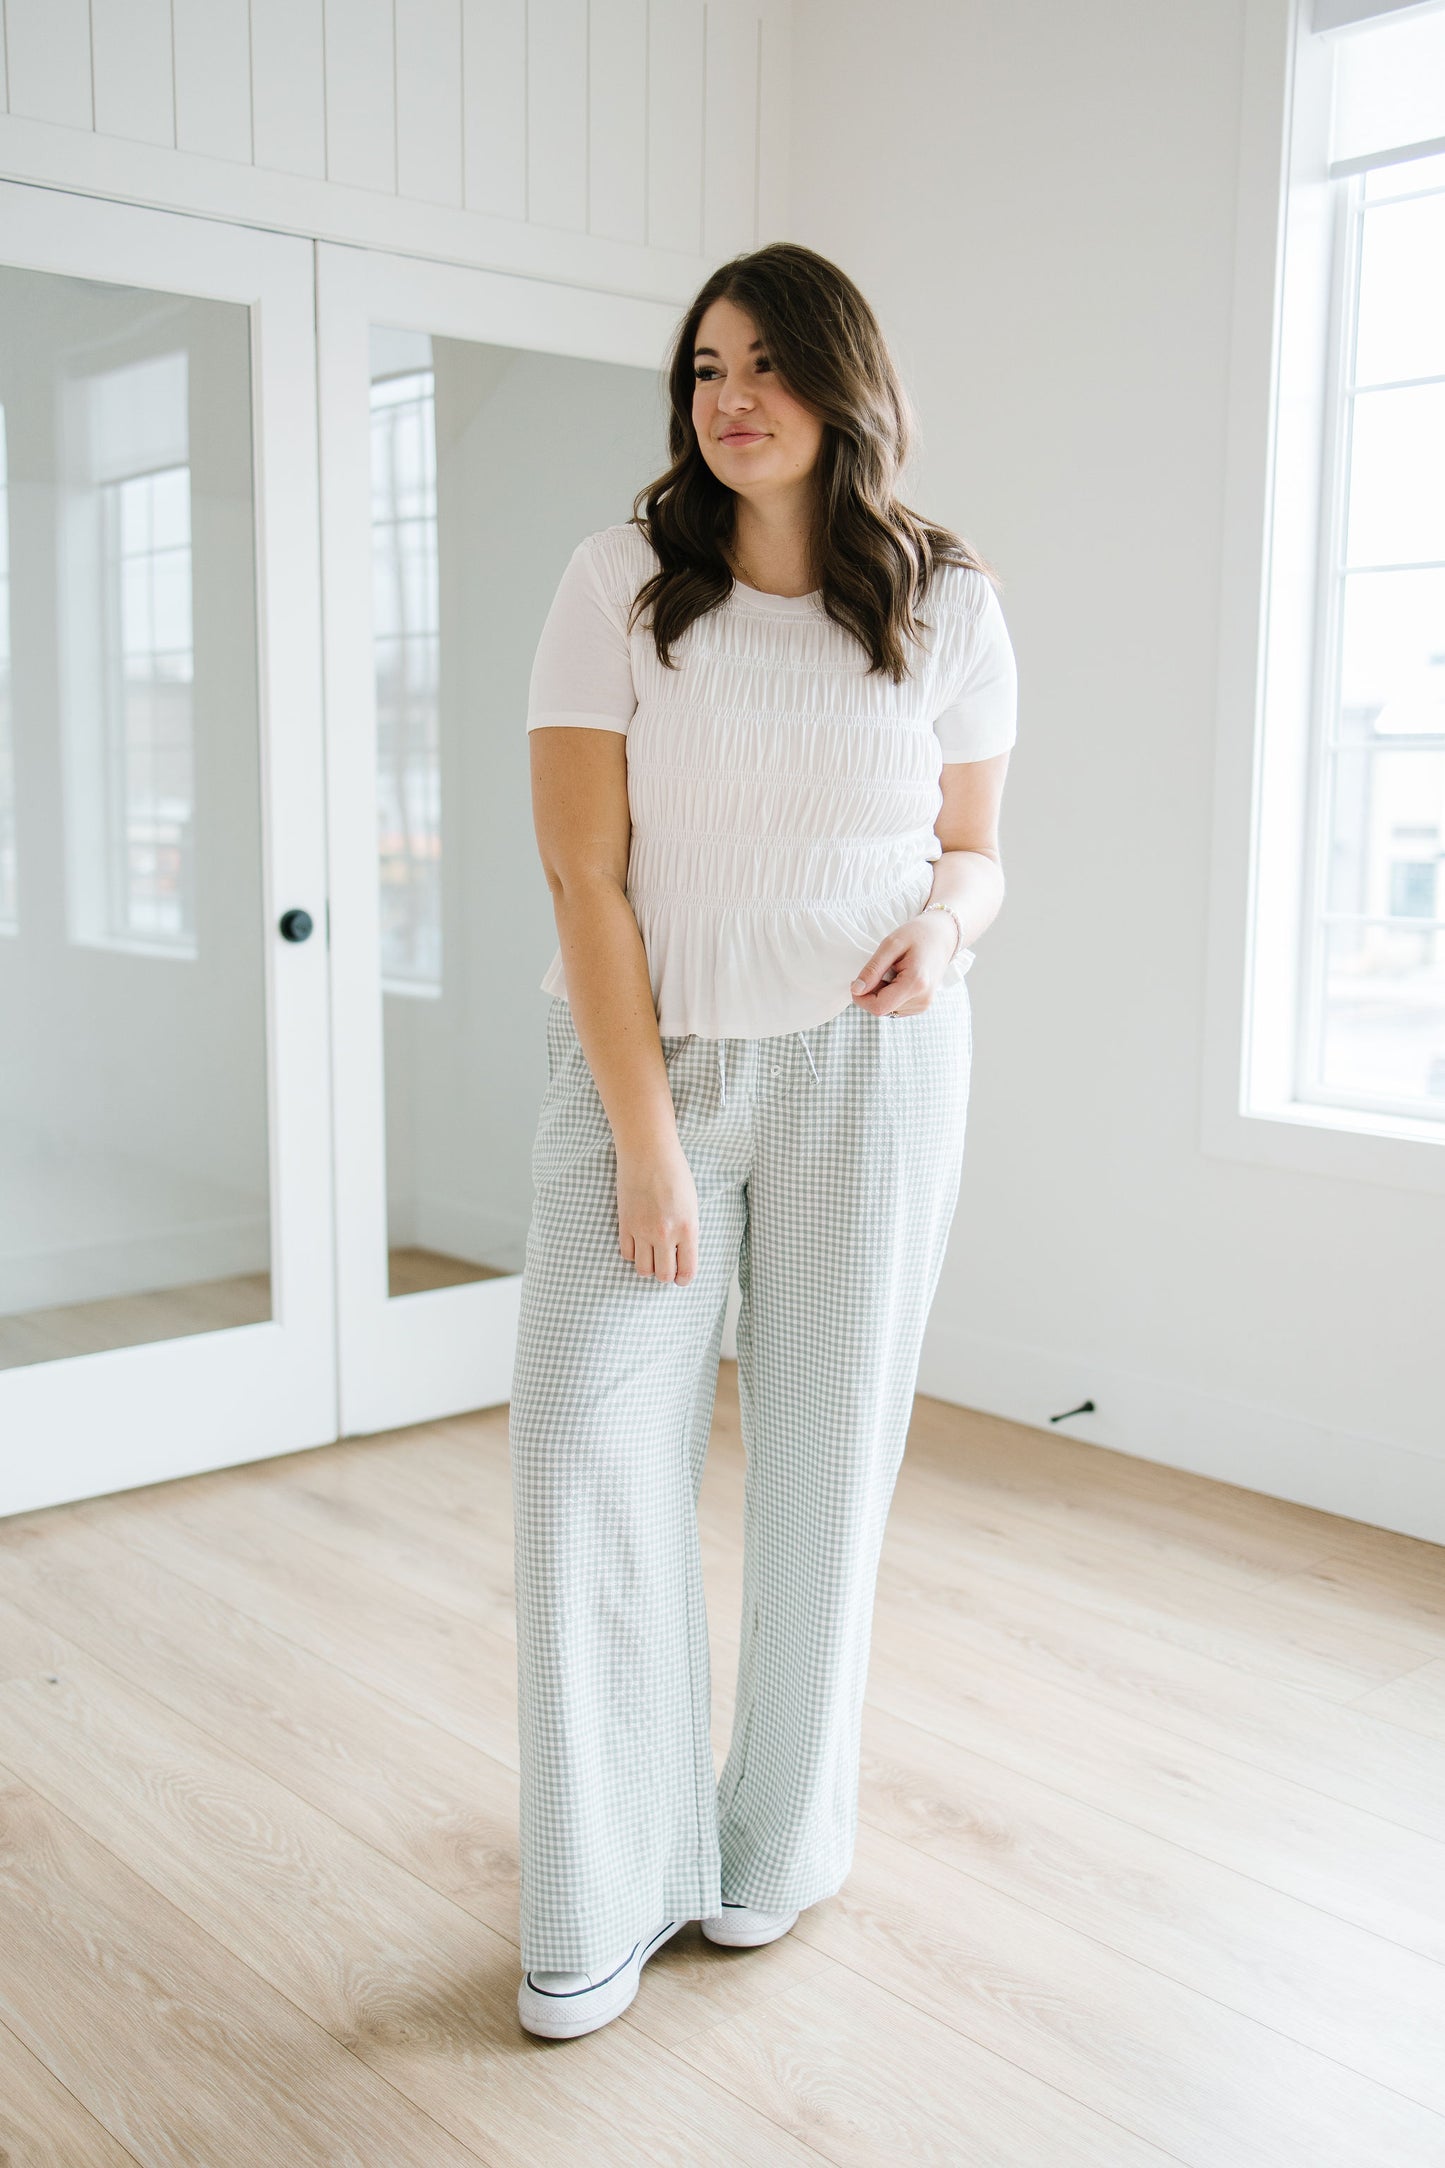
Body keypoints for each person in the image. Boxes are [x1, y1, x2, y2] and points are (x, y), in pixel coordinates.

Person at [509, 241, 1018, 2040]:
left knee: (822, 1477)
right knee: (583, 1460)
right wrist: (647, 1146)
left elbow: (974, 849)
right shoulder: (619, 587)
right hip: (645, 1073)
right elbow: (583, 875)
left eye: (764, 365)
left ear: (838, 384)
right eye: (705, 368)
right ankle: (599, 1886)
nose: (728, 397)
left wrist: (945, 930)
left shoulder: (945, 601)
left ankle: (770, 1852)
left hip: (876, 1079)